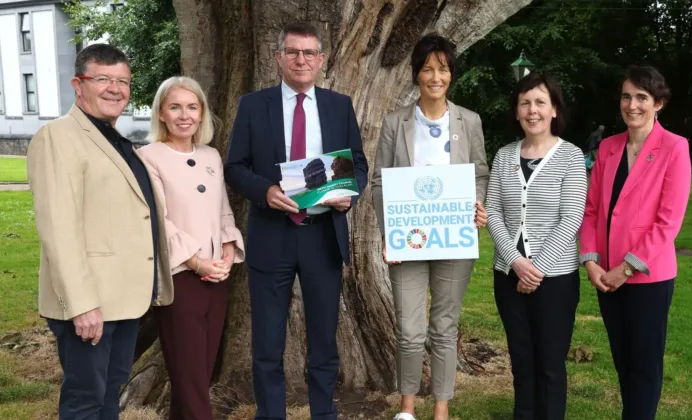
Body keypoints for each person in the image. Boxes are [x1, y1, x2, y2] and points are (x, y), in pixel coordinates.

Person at [224, 22, 368, 420]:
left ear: (321, 60)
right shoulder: (254, 105)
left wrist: (348, 193)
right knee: (267, 341)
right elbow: (235, 167)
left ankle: (323, 413)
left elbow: (357, 163)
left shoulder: (339, 105)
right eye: (293, 52)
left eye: (309, 53)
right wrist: (266, 192)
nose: (300, 60)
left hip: (323, 235)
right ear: (279, 59)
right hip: (273, 234)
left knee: (324, 339)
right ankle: (271, 414)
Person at [26, 44, 173, 419]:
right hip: (89, 304)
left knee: (109, 394)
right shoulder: (58, 137)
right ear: (79, 84)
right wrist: (81, 304)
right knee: (85, 401)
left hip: (122, 300)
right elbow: (58, 226)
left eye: (122, 81)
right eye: (103, 79)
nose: (115, 89)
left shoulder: (115, 139)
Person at [370, 34, 489, 420]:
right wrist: (390, 232)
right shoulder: (395, 122)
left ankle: (441, 407)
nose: (435, 76)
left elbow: (481, 173)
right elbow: (379, 181)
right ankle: (406, 407)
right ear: (416, 74)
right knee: (409, 329)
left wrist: (478, 203)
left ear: (451, 75)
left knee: (443, 327)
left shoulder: (469, 121)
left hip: (454, 239)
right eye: (427, 69)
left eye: (443, 69)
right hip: (408, 240)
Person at [579, 65, 691, 420]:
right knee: (623, 362)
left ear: (658, 103)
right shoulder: (609, 147)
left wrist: (625, 268)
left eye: (642, 97)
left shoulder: (675, 147)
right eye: (627, 96)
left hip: (647, 277)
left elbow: (668, 223)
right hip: (606, 276)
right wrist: (592, 261)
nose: (632, 105)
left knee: (644, 366)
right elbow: (592, 210)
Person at [137, 76, 245, 420]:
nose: (184, 115)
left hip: (217, 277)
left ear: (202, 114)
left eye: (192, 107)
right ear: (162, 114)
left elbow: (223, 209)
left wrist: (228, 248)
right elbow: (157, 220)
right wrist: (196, 261)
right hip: (180, 277)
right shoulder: (148, 157)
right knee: (190, 376)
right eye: (175, 107)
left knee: (199, 372)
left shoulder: (211, 154)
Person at [485, 73, 586, 419]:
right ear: (516, 112)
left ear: (554, 109)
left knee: (550, 365)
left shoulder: (571, 157)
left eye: (541, 102)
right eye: (525, 103)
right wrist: (515, 261)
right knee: (521, 362)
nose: (533, 110)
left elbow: (571, 217)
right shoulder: (503, 156)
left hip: (554, 278)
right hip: (508, 275)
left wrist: (536, 268)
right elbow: (494, 211)